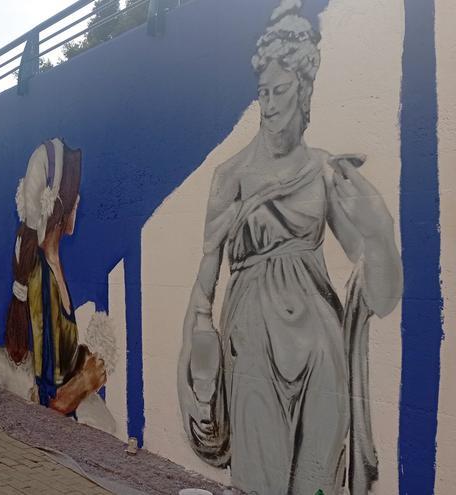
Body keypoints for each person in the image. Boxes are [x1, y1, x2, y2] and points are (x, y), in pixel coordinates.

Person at [177, 1, 402, 493]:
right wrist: (201, 359)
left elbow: (381, 296)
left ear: (305, 90)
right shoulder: (230, 176)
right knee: (259, 480)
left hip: (320, 348)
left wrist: (381, 231)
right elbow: (205, 278)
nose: (271, 104)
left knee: (315, 483)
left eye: (281, 91)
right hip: (252, 344)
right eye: (263, 93)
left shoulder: (324, 172)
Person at [4, 138, 107, 415]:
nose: (79, 202)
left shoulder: (50, 266)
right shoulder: (41, 281)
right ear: (60, 209)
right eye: (75, 197)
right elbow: (51, 403)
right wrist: (84, 382)